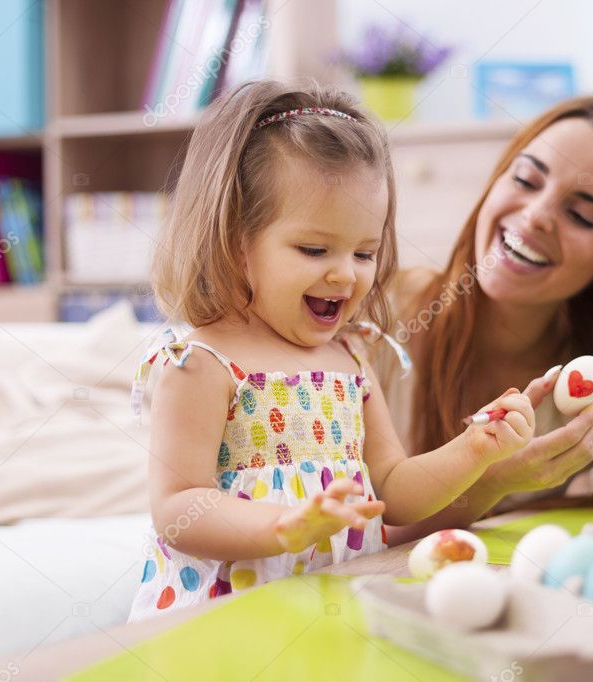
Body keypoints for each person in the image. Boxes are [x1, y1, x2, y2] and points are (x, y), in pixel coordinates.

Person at [126, 80, 534, 621]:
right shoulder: (201, 363)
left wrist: (476, 449)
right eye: (314, 249)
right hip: (228, 619)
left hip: (333, 611)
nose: (345, 274)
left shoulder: (351, 360)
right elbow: (177, 507)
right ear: (234, 239)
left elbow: (394, 489)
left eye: (365, 252)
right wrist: (281, 526)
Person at [370, 96, 593, 544]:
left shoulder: (592, 378)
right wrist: (493, 480)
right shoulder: (376, 317)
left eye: (581, 215)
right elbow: (352, 537)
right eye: (527, 179)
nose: (536, 216)